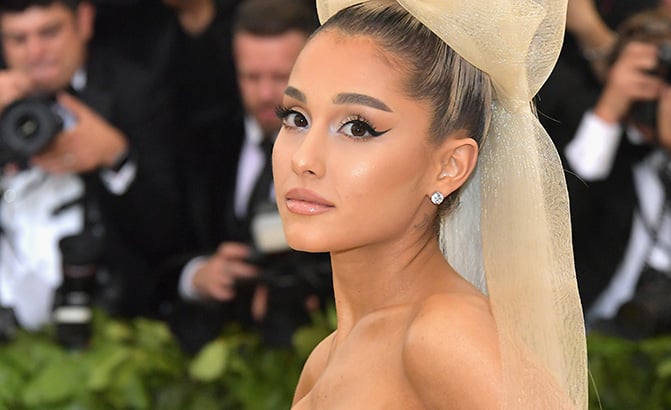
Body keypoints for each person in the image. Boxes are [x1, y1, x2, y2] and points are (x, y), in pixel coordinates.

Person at [273, 0, 587, 408]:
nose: (303, 160)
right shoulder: (325, 359)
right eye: (296, 118)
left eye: (357, 128)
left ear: (450, 166)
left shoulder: (445, 336)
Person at [157, 0, 330, 353]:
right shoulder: (200, 142)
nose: (265, 93)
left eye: (281, 77)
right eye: (251, 77)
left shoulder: (345, 154)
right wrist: (199, 274)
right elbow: (159, 251)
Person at [0, 0, 183, 329]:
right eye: (18, 39)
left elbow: (172, 235)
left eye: (50, 32)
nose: (35, 52)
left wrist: (117, 158)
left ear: (83, 21)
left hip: (109, 319)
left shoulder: (135, 92)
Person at [562, 9, 671, 337]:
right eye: (649, 75)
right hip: (596, 339)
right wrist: (608, 113)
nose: (661, 92)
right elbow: (550, 232)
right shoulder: (587, 134)